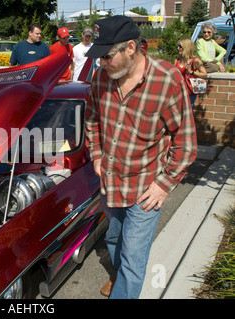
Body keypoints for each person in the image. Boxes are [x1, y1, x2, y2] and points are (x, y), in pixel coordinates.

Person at [84, 15, 197, 299]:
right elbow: (92, 118)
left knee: (133, 261)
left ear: (131, 48)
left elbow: (185, 141)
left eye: (107, 56)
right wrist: (96, 154)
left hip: (145, 189)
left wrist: (163, 184)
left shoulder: (167, 79)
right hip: (110, 183)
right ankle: (120, 277)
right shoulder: (101, 78)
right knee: (113, 238)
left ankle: (124, 286)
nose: (101, 63)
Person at [175, 38, 207, 107]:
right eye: (178, 46)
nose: (178, 48)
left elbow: (204, 74)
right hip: (178, 90)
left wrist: (192, 72)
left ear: (186, 47)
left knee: (187, 113)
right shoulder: (177, 59)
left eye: (180, 46)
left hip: (189, 91)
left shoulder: (195, 60)